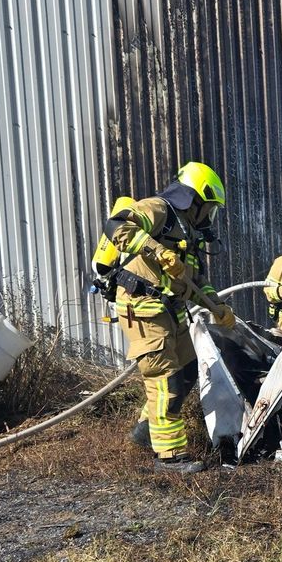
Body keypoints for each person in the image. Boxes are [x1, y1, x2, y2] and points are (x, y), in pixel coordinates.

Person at [105, 162, 236, 473]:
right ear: (196, 198)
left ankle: (144, 433)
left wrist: (219, 307)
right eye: (210, 208)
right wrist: (156, 251)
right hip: (144, 308)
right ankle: (169, 457)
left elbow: (195, 282)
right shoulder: (159, 208)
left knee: (189, 369)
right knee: (166, 379)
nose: (210, 217)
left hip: (170, 310)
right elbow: (116, 226)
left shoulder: (188, 232)